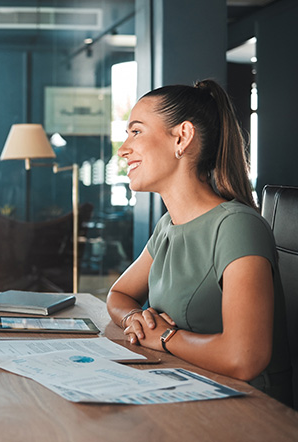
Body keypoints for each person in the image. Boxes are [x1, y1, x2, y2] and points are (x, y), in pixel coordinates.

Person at [106, 79, 291, 404]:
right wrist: (134, 318)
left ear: (182, 137)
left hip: (246, 409)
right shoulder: (168, 227)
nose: (123, 149)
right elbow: (119, 294)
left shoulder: (237, 226)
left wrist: (164, 337)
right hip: (180, 384)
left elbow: (245, 357)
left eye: (135, 132)